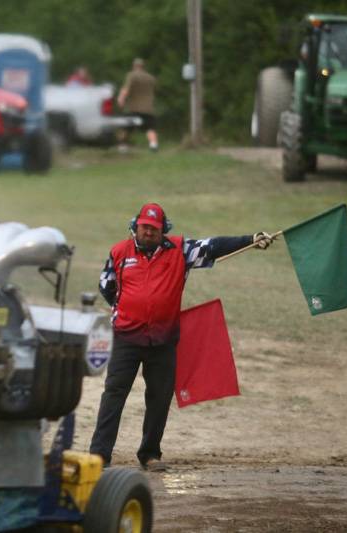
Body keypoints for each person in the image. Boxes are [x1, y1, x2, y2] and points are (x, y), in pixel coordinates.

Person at [89, 202, 273, 471]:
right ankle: (99, 455)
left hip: (163, 340)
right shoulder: (119, 252)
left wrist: (251, 240)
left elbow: (213, 246)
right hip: (126, 338)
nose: (149, 233)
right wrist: (129, 307)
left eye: (154, 228)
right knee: (114, 394)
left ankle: (150, 454)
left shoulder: (181, 251)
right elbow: (106, 285)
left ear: (163, 230)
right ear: (135, 227)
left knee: (159, 397)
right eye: (144, 227)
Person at [117, 58, 158, 152]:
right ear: (143, 67)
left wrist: (121, 100)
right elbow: (154, 92)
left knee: (126, 128)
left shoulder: (132, 75)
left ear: (134, 66)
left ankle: (122, 146)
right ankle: (153, 145)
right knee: (150, 128)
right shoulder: (151, 78)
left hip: (133, 108)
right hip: (148, 109)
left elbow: (126, 89)